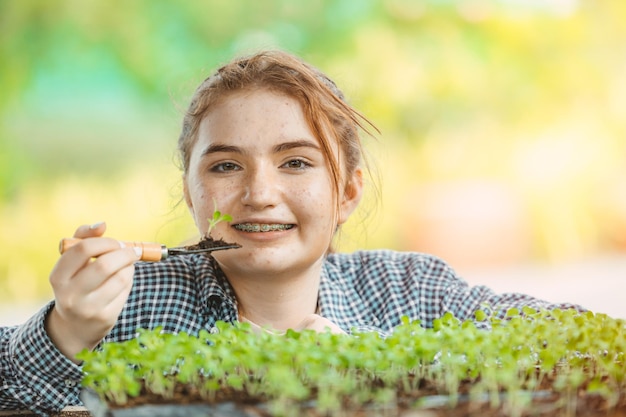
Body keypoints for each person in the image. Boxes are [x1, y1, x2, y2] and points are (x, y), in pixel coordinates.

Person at [0, 50, 585, 415]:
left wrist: (368, 361)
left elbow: (569, 339)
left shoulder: (409, 289)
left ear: (348, 193)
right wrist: (65, 333)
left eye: (296, 162)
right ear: (192, 192)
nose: (259, 194)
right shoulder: (136, 300)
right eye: (226, 166)